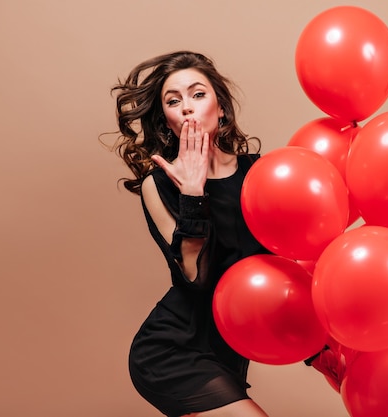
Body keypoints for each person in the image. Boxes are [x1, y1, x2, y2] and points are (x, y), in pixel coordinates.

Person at [108, 51, 271, 417]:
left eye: (198, 94)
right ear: (166, 120)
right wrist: (193, 194)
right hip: (172, 350)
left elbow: (279, 270)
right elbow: (194, 277)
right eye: (173, 100)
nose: (186, 107)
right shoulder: (158, 184)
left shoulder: (260, 173)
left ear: (222, 107)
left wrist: (315, 353)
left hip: (230, 348)